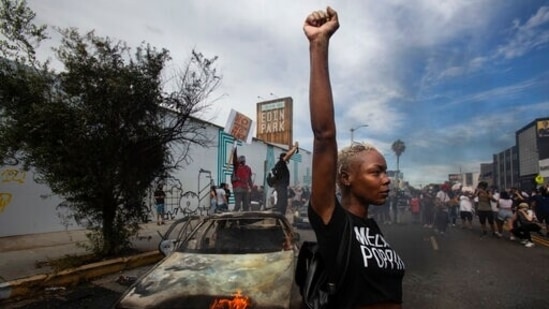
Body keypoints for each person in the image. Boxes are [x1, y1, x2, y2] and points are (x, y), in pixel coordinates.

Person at [304, 7, 404, 308]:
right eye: (376, 172)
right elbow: (324, 135)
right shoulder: (333, 220)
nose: (386, 180)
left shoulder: (371, 227)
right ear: (345, 177)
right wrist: (318, 44)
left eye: (385, 172)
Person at [271, 143, 299, 215]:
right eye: (287, 158)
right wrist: (294, 148)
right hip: (281, 186)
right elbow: (287, 156)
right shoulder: (281, 163)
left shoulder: (281, 165)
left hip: (281, 186)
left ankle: (280, 218)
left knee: (282, 203)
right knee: (282, 203)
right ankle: (279, 218)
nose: (289, 159)